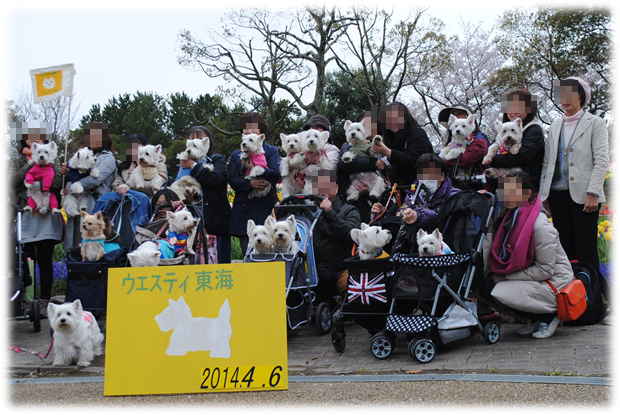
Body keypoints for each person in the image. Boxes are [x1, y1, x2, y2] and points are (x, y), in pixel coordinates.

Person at [481, 171, 574, 339]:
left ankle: (549, 317)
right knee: (484, 285)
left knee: (499, 290)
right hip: (533, 278)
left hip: (554, 282)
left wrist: (507, 278)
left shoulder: (540, 225)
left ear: (527, 193)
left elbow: (545, 270)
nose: (504, 195)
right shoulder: (509, 217)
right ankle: (532, 318)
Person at [539, 77, 609, 269]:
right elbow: (547, 162)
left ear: (581, 96)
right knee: (564, 248)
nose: (565, 98)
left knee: (586, 248)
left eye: (570, 93)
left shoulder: (595, 123)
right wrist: (544, 195)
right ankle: (570, 295)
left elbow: (601, 159)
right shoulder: (554, 126)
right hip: (557, 195)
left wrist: (593, 192)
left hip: (585, 196)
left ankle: (592, 295)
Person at [8, 121, 64, 314]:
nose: (34, 137)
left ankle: (45, 299)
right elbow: (13, 183)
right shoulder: (17, 160)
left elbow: (57, 181)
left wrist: (36, 185)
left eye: (38, 135)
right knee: (23, 257)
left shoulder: (53, 158)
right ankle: (24, 297)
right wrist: (31, 165)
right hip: (24, 212)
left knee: (45, 259)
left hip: (46, 212)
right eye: (29, 134)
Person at [370, 153, 460, 253]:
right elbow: (401, 214)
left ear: (442, 176)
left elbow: (444, 219)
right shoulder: (413, 192)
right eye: (422, 173)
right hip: (411, 242)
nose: (426, 177)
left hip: (438, 247)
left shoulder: (454, 195)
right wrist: (383, 213)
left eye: (431, 173)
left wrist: (419, 215)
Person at [228, 112, 281, 255]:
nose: (249, 130)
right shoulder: (236, 155)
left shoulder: (271, 151)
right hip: (244, 210)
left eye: (254, 127)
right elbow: (232, 180)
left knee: (271, 250)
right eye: (246, 128)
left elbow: (276, 174)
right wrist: (250, 184)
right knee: (248, 253)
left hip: (266, 207)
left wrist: (257, 170)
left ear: (261, 131)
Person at [178, 125, 231, 263]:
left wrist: (194, 166)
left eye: (200, 138)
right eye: (192, 139)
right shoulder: (183, 164)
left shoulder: (217, 160)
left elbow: (216, 180)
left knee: (219, 261)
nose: (195, 142)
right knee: (193, 260)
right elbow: (178, 187)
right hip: (191, 220)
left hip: (215, 220)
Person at [61, 122, 118, 249]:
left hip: (95, 204)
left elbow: (94, 180)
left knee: (92, 243)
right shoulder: (81, 155)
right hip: (77, 203)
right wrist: (68, 172)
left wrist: (70, 188)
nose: (93, 139)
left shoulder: (108, 158)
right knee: (76, 241)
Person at [311, 169, 361, 296]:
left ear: (337, 188)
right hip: (314, 269)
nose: (322, 189)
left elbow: (352, 234)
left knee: (347, 282)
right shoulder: (308, 212)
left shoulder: (349, 210)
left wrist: (330, 213)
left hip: (341, 268)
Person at [487, 90, 545, 191]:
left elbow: (521, 157)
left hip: (525, 187)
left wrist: (494, 160)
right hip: (506, 185)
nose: (514, 112)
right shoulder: (504, 129)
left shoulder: (534, 129)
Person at [337, 110, 386, 223]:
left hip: (375, 202)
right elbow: (346, 164)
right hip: (353, 201)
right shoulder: (347, 146)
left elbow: (385, 168)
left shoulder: (380, 147)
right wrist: (373, 163)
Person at [373, 102, 434, 186]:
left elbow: (415, 161)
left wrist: (389, 153)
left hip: (424, 184)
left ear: (405, 117)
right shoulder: (389, 137)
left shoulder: (418, 134)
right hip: (399, 186)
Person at [437, 104, 489, 187]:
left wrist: (444, 161)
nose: (457, 117)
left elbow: (466, 159)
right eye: (454, 115)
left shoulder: (479, 139)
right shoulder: (452, 142)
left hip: (473, 185)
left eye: (459, 113)